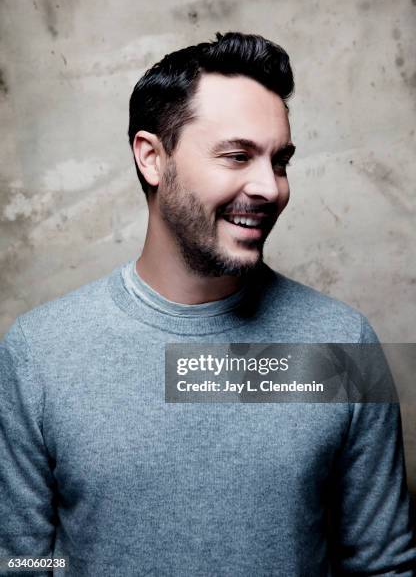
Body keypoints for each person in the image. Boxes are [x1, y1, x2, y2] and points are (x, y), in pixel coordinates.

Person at [1, 32, 415, 576]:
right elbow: (22, 562)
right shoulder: (38, 352)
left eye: (280, 161)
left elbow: (382, 565)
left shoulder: (341, 344)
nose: (270, 187)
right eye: (237, 156)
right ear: (152, 157)